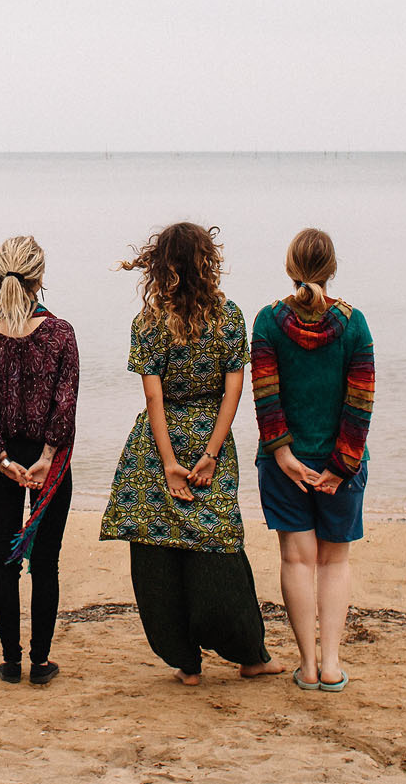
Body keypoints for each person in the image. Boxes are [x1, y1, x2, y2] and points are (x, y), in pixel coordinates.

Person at [99, 221, 281, 686]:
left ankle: (187, 662)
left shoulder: (148, 321)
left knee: (157, 551)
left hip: (156, 445)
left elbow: (154, 399)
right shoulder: (230, 315)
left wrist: (167, 463)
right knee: (217, 544)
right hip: (207, 439)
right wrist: (211, 454)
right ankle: (250, 656)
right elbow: (232, 391)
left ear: (161, 265)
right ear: (208, 261)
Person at [250, 226, 374, 692]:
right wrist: (341, 467)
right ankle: (332, 666)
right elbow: (360, 400)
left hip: (285, 466)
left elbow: (266, 394)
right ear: (333, 269)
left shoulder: (267, 321)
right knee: (334, 564)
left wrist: (282, 453)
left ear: (289, 267)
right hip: (340, 464)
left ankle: (305, 665)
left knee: (297, 562)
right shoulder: (354, 323)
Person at [0, 236, 78, 685]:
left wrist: (3, 459)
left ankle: (10, 662)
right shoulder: (62, 333)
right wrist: (47, 457)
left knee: (4, 562)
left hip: (4, 459)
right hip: (50, 464)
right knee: (45, 564)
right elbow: (65, 405)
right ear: (40, 279)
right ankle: (40, 663)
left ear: (0, 276)